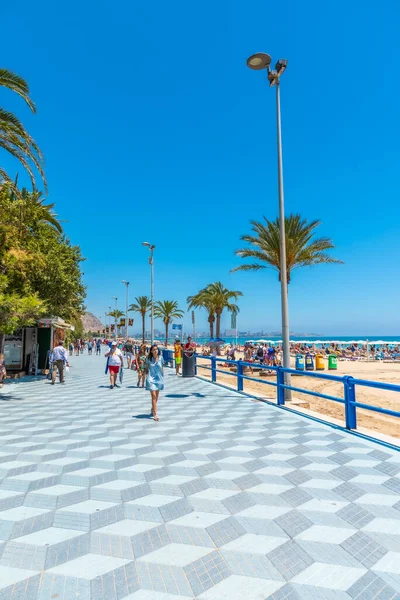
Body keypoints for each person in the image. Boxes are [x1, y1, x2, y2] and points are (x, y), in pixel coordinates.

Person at [145, 345, 164, 421]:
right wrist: (146, 377)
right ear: (151, 351)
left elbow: (162, 368)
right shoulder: (149, 359)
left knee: (156, 397)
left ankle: (153, 408)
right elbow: (146, 368)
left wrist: (162, 378)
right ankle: (155, 414)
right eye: (154, 349)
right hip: (151, 379)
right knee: (153, 396)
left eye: (156, 349)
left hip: (159, 379)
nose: (156, 351)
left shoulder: (161, 358)